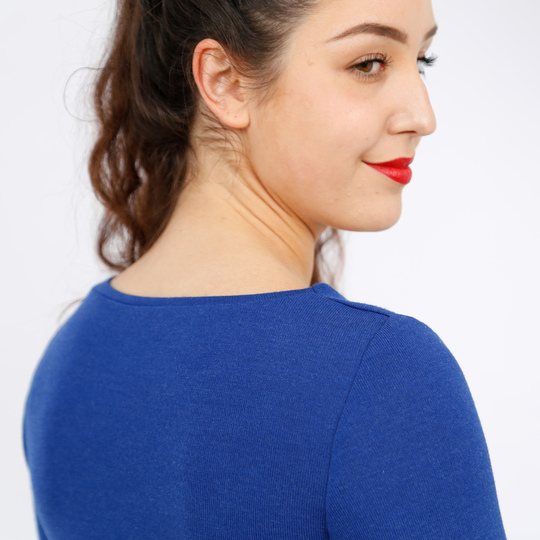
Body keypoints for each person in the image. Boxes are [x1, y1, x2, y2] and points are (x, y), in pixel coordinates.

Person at [22, 0, 507, 537]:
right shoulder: (383, 376)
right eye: (368, 64)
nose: (423, 117)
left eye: (422, 62)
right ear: (224, 82)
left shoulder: (69, 363)